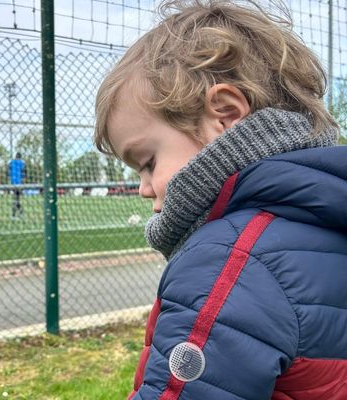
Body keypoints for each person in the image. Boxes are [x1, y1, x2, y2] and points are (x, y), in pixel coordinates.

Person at [94, 1, 347, 399]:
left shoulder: (227, 261)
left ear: (226, 116)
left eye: (147, 162)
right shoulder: (327, 223)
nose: (143, 187)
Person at [8, 152, 26, 219]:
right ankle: (18, 213)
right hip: (19, 183)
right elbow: (23, 173)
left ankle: (15, 214)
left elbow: (9, 172)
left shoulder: (11, 162)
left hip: (13, 183)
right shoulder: (22, 163)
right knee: (16, 199)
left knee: (15, 199)